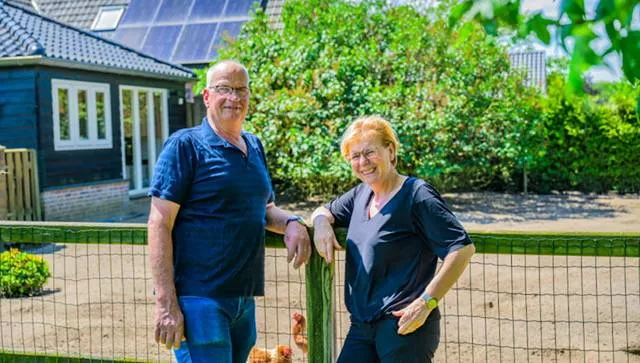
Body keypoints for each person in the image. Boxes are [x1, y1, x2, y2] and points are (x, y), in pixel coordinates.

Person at [147, 60, 311, 363]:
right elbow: (159, 222)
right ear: (207, 96)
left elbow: (264, 210)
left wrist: (293, 222)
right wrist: (166, 303)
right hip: (200, 300)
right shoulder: (185, 146)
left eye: (241, 90)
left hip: (243, 300)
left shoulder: (254, 145)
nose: (234, 98)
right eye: (224, 89)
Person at [311, 115, 475, 363]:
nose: (363, 162)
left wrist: (426, 302)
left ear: (390, 151)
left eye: (370, 152)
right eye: (355, 156)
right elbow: (324, 210)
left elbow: (462, 249)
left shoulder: (417, 195)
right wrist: (321, 223)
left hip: (404, 326)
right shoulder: (361, 195)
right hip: (362, 326)